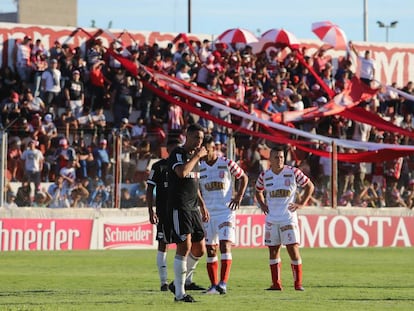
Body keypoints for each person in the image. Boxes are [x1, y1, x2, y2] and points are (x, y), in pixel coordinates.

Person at [255, 145, 314, 291]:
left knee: (292, 249)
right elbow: (257, 190)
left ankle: (298, 284)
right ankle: (276, 284)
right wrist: (262, 204)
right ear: (270, 159)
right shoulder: (265, 175)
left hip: (288, 218)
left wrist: (301, 203)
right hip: (271, 219)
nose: (280, 160)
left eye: (282, 157)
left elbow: (310, 186)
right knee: (273, 250)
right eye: (276, 157)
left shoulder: (293, 172)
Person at [199, 135, 248, 294]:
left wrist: (239, 196)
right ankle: (213, 286)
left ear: (214, 148)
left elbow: (243, 177)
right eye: (203, 149)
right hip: (208, 214)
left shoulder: (226, 163)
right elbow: (195, 189)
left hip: (225, 212)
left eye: (208, 149)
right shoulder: (199, 167)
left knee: (225, 245)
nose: (205, 152)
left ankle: (223, 283)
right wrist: (201, 207)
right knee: (211, 249)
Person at [167, 123, 208, 302]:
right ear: (187, 136)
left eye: (201, 138)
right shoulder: (178, 153)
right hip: (180, 206)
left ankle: (177, 282)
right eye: (196, 138)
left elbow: (194, 183)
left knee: (200, 249)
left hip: (193, 208)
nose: (199, 141)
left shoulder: (194, 157)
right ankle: (180, 293)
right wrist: (198, 156)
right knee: (184, 247)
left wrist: (202, 205)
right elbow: (182, 172)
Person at [146, 138, 181, 291]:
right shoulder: (158, 166)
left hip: (181, 211)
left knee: (186, 245)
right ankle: (164, 282)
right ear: (167, 150)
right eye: (172, 149)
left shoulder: (183, 166)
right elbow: (149, 189)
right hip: (164, 213)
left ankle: (184, 280)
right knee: (163, 244)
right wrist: (150, 210)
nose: (174, 152)